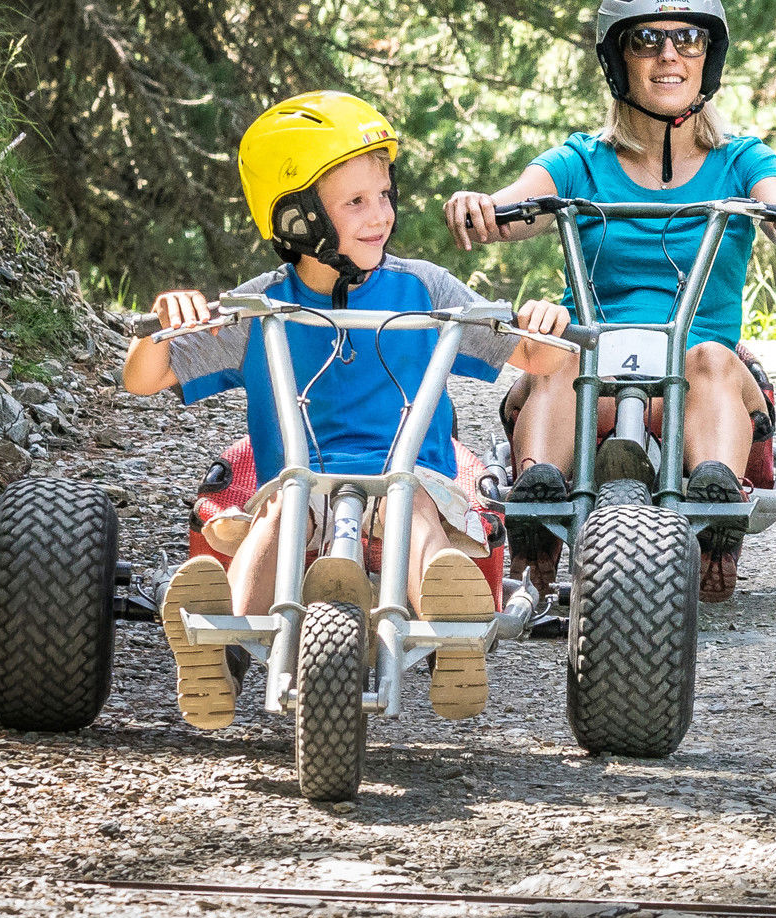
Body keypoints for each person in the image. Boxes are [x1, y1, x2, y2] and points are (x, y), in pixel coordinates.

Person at [122, 92, 578, 729]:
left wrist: (541, 322)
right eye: (356, 202)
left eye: (385, 195)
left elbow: (539, 359)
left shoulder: (426, 290)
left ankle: (453, 633)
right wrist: (163, 328)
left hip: (411, 474)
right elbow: (144, 380)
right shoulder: (259, 308)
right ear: (299, 219)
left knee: (410, 508)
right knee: (277, 517)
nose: (381, 216)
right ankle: (219, 653)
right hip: (298, 480)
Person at [445, 0, 776, 601]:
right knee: (557, 358)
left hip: (701, 372)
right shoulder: (581, 161)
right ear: (616, 59)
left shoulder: (744, 160)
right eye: (645, 40)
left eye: (688, 39)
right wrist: (482, 206)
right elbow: (516, 206)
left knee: (708, 355)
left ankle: (716, 512)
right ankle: (537, 505)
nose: (669, 56)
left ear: (709, 57)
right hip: (594, 369)